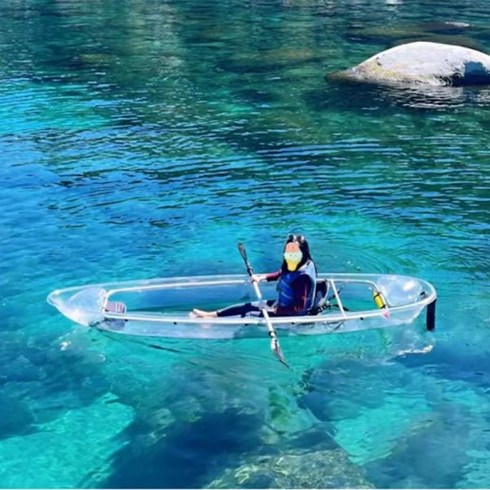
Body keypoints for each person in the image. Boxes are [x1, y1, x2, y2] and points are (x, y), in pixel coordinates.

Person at [191, 234, 317, 318]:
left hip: (291, 314)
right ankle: (211, 315)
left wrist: (272, 310)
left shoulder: (303, 278)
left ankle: (212, 321)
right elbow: (282, 273)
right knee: (247, 306)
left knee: (250, 313)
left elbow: (298, 308)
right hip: (282, 305)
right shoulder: (294, 263)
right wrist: (262, 277)